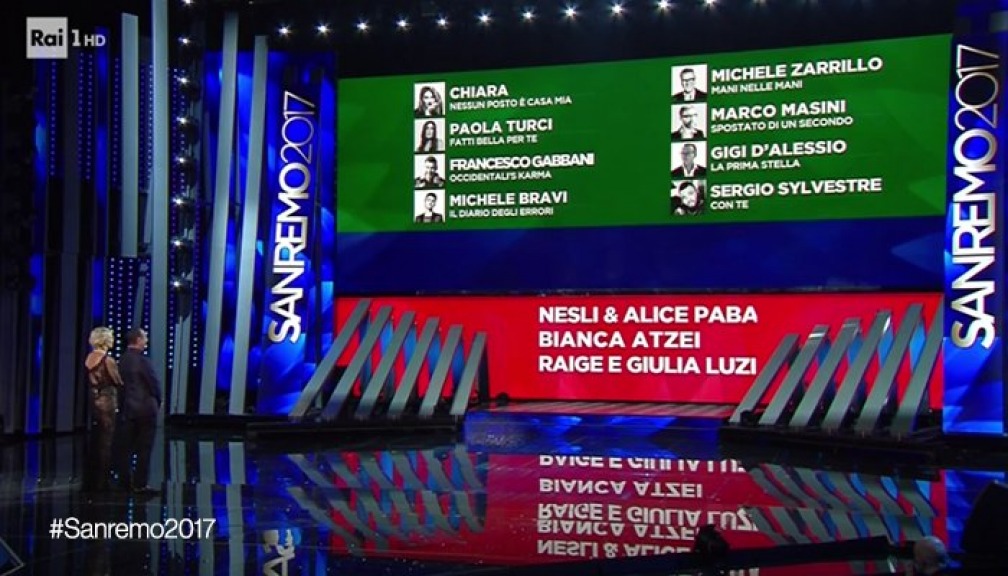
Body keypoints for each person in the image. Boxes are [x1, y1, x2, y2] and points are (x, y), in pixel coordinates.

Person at [116, 327, 161, 495]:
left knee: (125, 449)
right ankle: (140, 484)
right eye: (145, 337)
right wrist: (158, 400)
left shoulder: (122, 360)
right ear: (138, 340)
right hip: (145, 411)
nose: (146, 340)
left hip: (127, 410)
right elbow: (154, 384)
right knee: (144, 449)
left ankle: (125, 483)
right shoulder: (143, 361)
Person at [83, 327, 123, 493]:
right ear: (105, 340)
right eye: (111, 338)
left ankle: (91, 480)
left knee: (96, 441)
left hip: (94, 401)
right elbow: (118, 381)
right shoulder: (108, 360)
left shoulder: (89, 357)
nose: (113, 340)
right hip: (107, 402)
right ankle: (102, 482)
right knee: (106, 442)